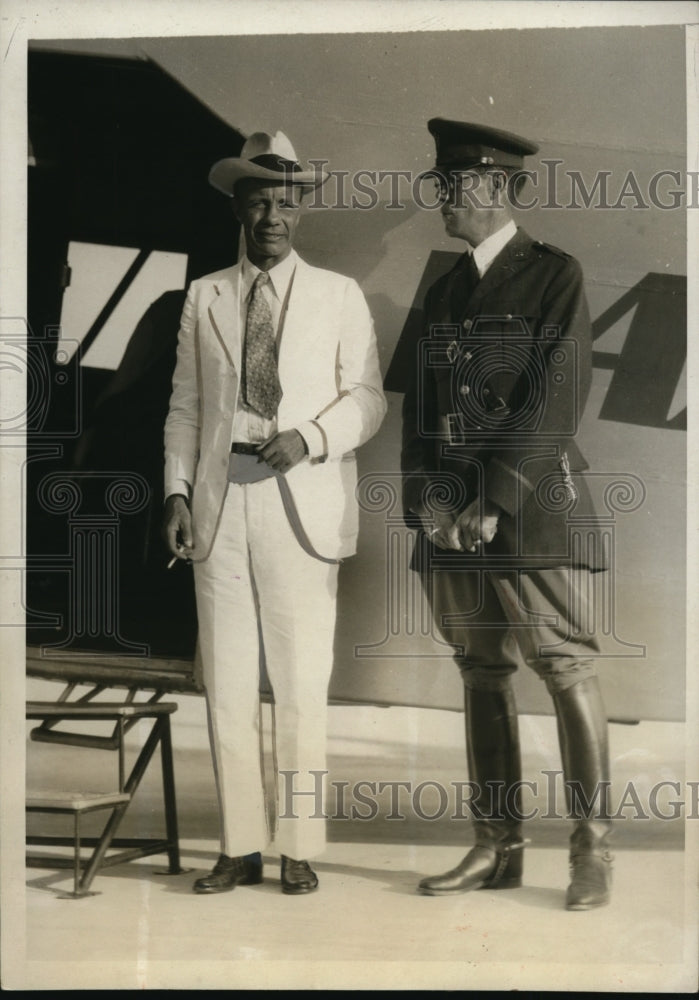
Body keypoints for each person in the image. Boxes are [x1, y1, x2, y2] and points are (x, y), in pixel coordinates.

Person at [163, 130, 386, 895]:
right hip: (221, 510)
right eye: (258, 201)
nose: (272, 215)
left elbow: (365, 399)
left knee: (298, 681)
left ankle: (297, 845)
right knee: (226, 682)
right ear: (238, 205)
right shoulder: (205, 296)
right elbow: (186, 408)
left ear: (301, 211)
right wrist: (177, 492)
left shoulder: (338, 295)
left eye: (285, 202)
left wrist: (312, 436)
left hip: (301, 506)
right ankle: (238, 845)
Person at [399, 119, 613, 910]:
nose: (441, 199)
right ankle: (496, 848)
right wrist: (427, 494)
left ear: (491, 189)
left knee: (564, 668)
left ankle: (591, 854)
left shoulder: (552, 274)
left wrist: (491, 501)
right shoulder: (447, 288)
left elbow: (556, 398)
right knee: (480, 671)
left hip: (528, 506)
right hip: (453, 515)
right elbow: (421, 408)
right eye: (441, 184)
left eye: (450, 186)